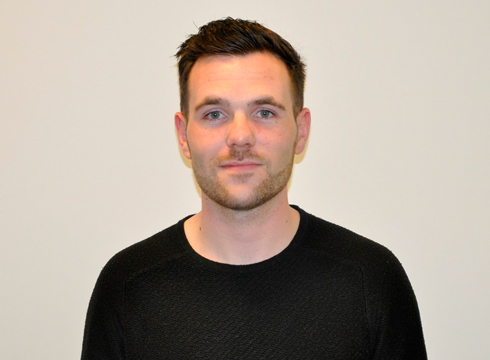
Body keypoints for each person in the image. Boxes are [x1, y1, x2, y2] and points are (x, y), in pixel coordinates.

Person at [81, 18, 427, 359]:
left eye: (264, 112)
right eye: (214, 114)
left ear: (300, 131)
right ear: (183, 136)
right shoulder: (129, 285)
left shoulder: (370, 279)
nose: (240, 136)